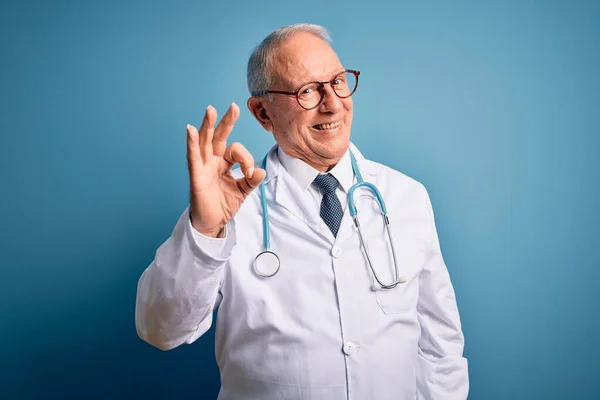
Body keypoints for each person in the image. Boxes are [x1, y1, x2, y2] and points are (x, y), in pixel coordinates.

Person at [135, 23, 469, 399]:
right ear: (263, 113)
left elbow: (440, 347)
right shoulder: (228, 211)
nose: (333, 103)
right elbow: (160, 330)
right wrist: (205, 230)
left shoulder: (406, 196)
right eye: (308, 91)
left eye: (338, 81)